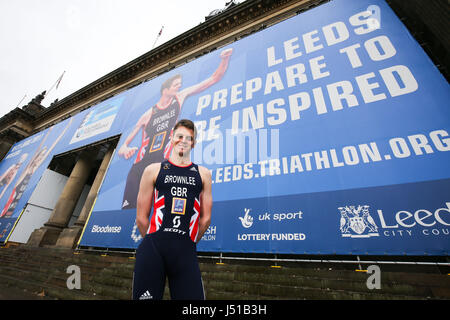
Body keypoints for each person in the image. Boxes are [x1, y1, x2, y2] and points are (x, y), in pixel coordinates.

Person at [118, 48, 232, 209]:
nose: (179, 87)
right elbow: (123, 146)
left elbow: (214, 78)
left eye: (180, 85)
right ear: (166, 89)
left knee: (160, 209)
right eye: (176, 85)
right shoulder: (147, 114)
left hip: (163, 163)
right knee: (130, 209)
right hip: (139, 168)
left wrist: (224, 60)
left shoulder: (179, 98)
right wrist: (125, 149)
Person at [132, 119, 212, 300]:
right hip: (153, 250)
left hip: (185, 252)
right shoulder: (153, 170)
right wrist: (155, 240)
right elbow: (141, 217)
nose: (183, 140)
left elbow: (206, 219)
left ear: (193, 143)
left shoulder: (204, 174)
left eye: (189, 138)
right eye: (180, 136)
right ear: (172, 137)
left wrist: (188, 242)